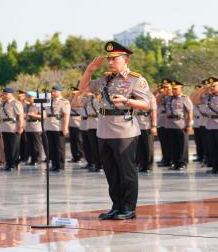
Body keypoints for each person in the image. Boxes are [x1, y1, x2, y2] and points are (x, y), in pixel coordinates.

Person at [79, 41, 150, 220]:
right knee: (111, 172)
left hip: (124, 131)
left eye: (114, 59)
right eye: (108, 59)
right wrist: (89, 70)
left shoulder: (136, 79)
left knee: (127, 172)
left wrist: (127, 101)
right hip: (103, 130)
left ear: (125, 59)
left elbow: (146, 104)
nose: (110, 62)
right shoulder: (105, 78)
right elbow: (83, 88)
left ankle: (128, 208)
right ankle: (116, 206)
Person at [166, 80, 193, 170]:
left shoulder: (185, 98)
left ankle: (183, 163)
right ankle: (175, 162)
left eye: (175, 89)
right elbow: (157, 101)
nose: (173, 90)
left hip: (181, 124)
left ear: (181, 89)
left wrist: (189, 125)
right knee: (173, 145)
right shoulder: (168, 98)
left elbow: (189, 112)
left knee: (182, 145)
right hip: (170, 124)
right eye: (172, 89)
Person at [44, 85, 70, 172]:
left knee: (59, 147)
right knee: (51, 147)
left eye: (54, 91)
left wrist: (65, 128)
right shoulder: (48, 101)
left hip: (58, 126)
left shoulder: (64, 101)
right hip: (49, 125)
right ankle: (54, 164)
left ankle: (60, 165)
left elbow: (66, 115)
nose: (52, 93)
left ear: (59, 92)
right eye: (52, 91)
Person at [0, 88, 24, 171]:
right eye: (3, 94)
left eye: (6, 94)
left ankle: (14, 164)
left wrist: (20, 127)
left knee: (14, 147)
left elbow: (20, 116)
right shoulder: (3, 103)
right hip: (5, 127)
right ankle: (8, 163)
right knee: (7, 148)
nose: (4, 95)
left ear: (11, 94)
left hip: (13, 127)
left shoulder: (16, 103)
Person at [136, 93, 157, 173]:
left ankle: (148, 165)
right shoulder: (133, 96)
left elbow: (153, 112)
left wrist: (154, 125)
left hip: (146, 124)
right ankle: (141, 164)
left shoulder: (150, 96)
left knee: (148, 146)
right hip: (135, 124)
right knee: (139, 147)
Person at [24, 91, 44, 166]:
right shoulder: (27, 106)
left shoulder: (39, 105)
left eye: (30, 97)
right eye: (28, 97)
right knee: (30, 144)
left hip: (36, 126)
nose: (28, 98)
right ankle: (33, 159)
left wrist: (34, 115)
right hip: (28, 126)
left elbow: (43, 116)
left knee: (37, 144)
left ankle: (38, 159)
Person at [67, 87, 84, 163]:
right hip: (71, 121)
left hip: (78, 121)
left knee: (78, 140)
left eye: (75, 91)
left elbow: (76, 105)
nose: (73, 93)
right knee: (73, 140)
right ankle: (74, 156)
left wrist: (77, 96)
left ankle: (80, 155)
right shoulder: (70, 99)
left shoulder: (81, 98)